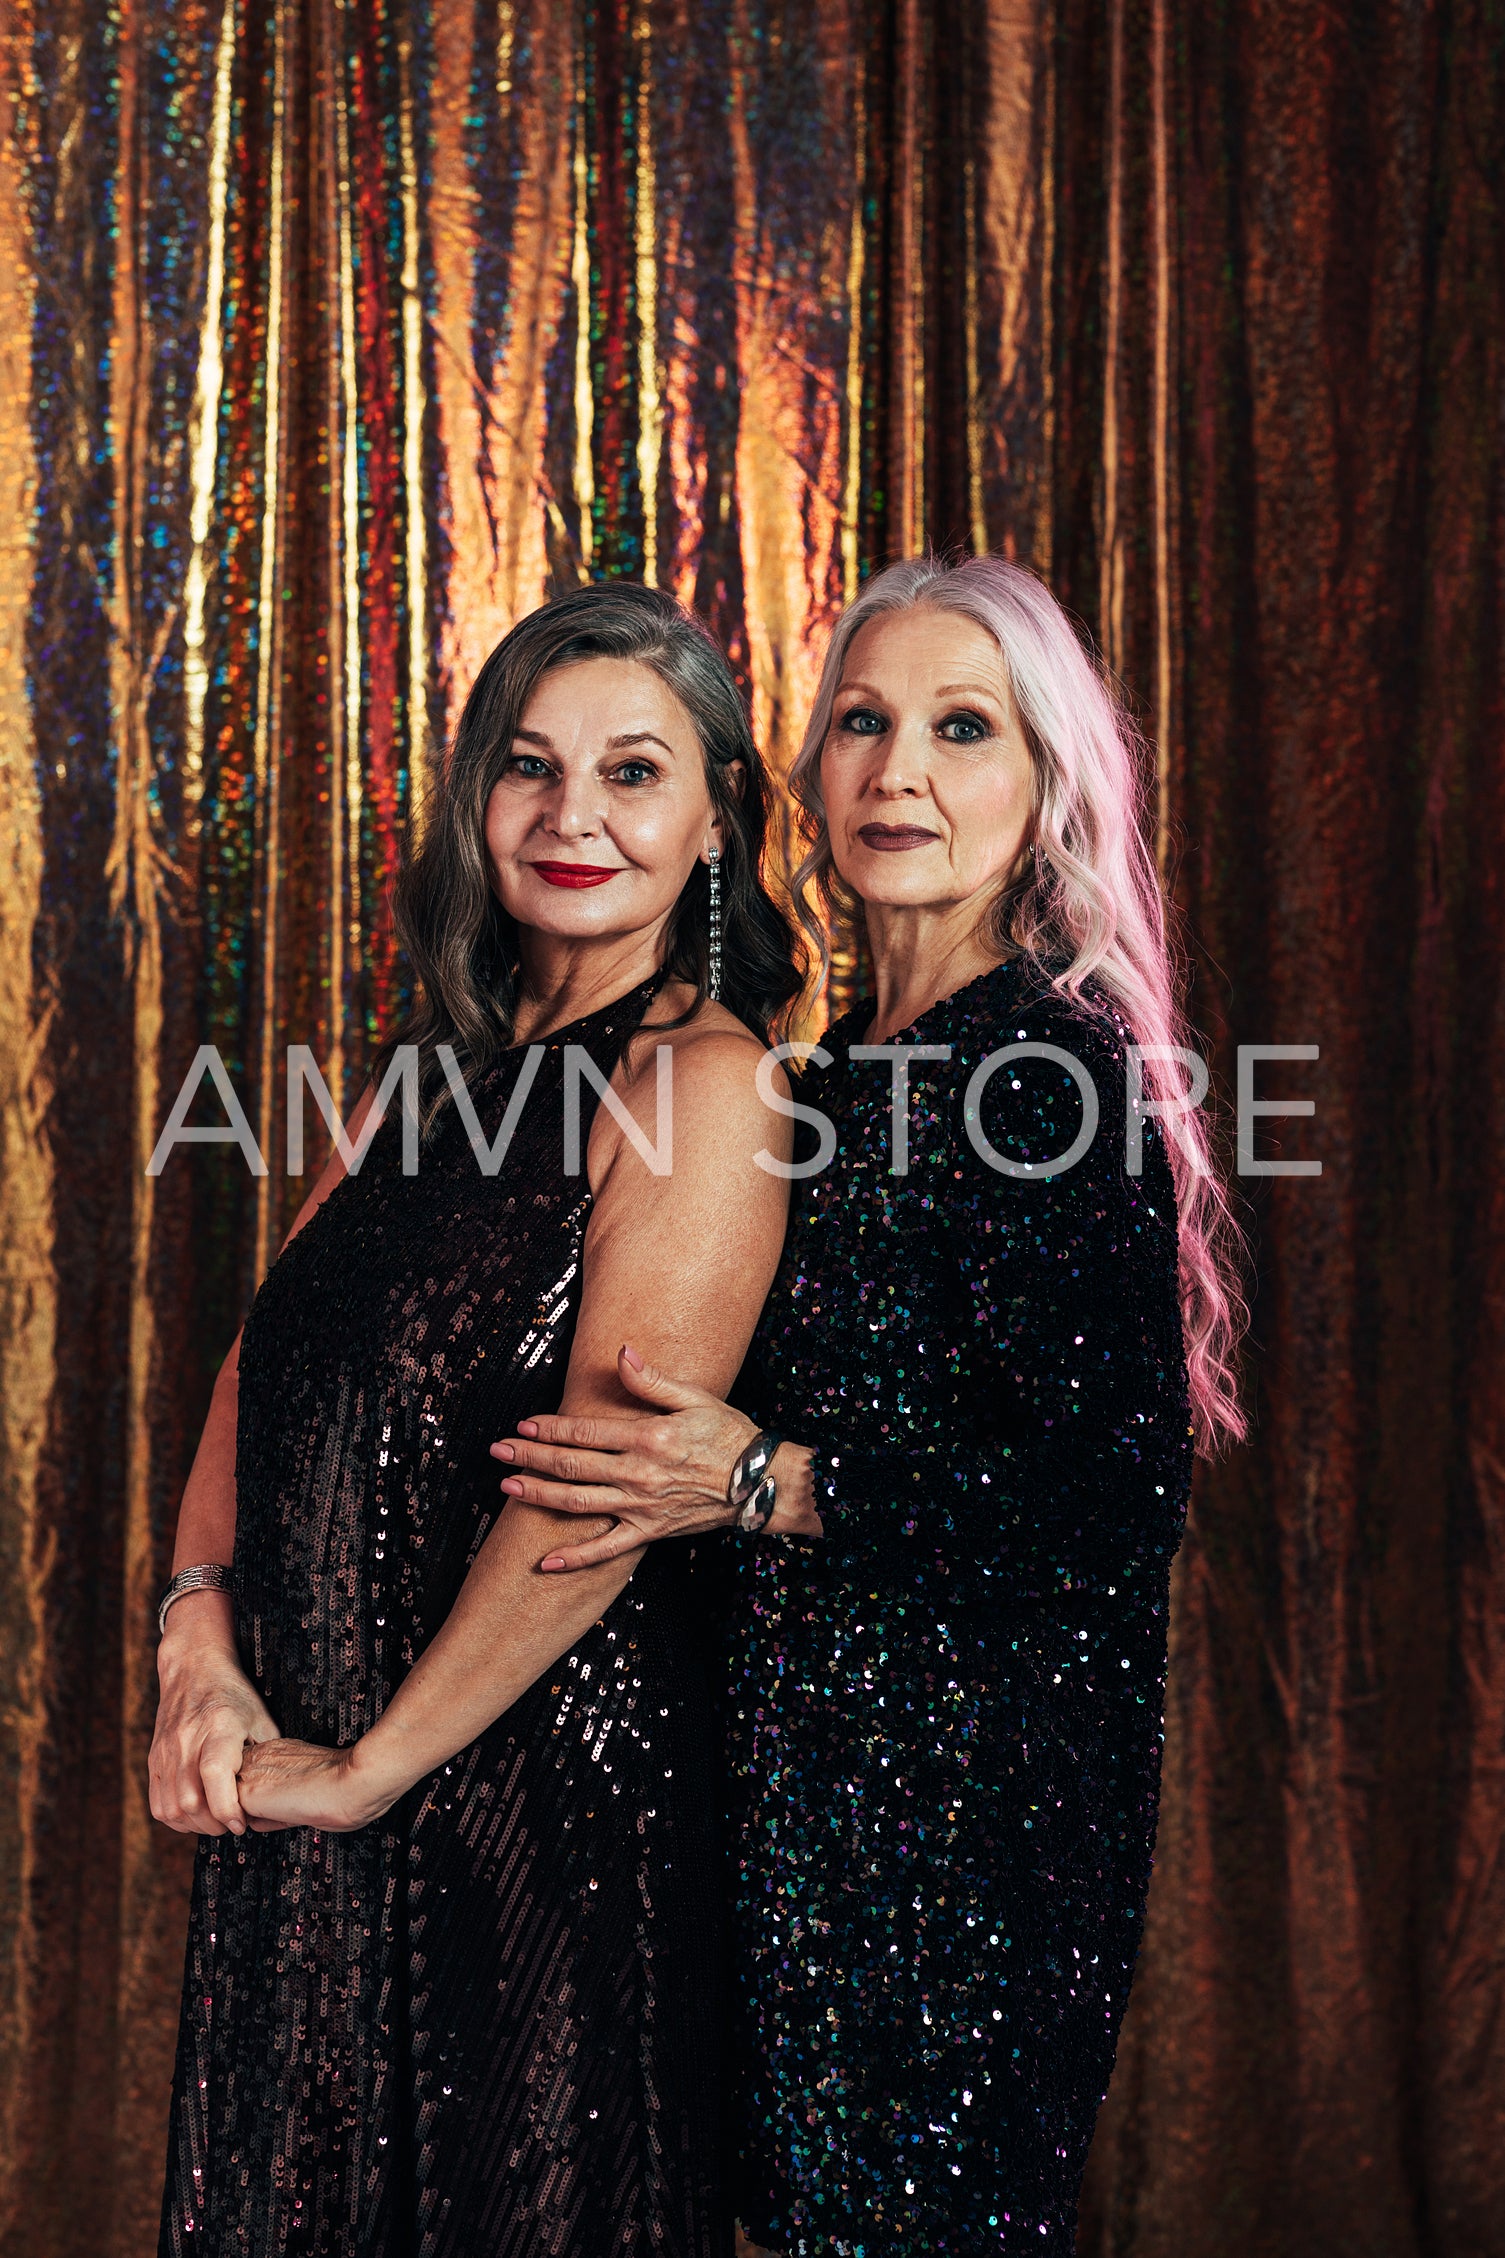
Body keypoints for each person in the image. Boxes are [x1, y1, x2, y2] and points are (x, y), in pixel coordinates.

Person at [492, 555, 1247, 2256]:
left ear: (1044, 783)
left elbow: (1102, 1502)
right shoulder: (824, 1077)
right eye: (860, 721)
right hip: (791, 1813)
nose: (897, 769)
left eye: (958, 728)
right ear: (808, 774)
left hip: (964, 1847)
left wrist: (764, 1477)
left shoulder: (1047, 1070)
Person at [148, 583, 811, 2258]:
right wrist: (196, 1646)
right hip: (306, 1796)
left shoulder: (704, 1087)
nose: (572, 813)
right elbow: (256, 1376)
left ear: (716, 817)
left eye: (633, 770)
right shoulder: (408, 1082)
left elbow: (593, 1498)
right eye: (530, 765)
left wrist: (374, 1766)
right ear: (476, 802)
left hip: (529, 1824)